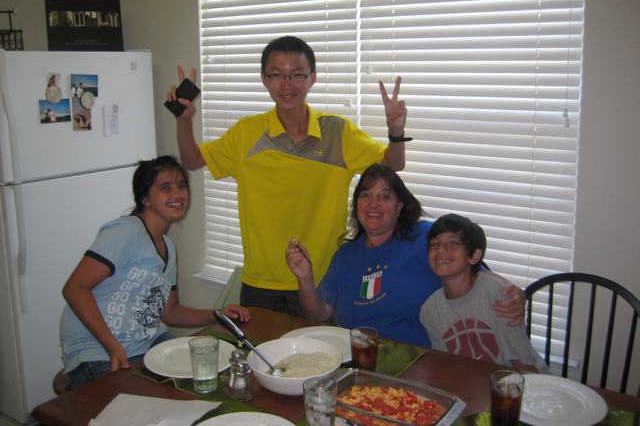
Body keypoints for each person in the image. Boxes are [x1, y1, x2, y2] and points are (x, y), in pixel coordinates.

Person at [169, 35, 409, 315]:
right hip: (261, 281)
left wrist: (396, 132)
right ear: (264, 79)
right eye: (277, 75)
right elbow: (192, 160)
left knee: (322, 345)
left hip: (322, 279)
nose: (287, 84)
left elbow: (392, 164)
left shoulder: (337, 132)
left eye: (296, 75)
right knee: (260, 345)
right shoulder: (247, 133)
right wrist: (183, 121)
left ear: (312, 78)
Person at [59, 156, 250, 389]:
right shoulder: (125, 232)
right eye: (165, 188)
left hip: (145, 343)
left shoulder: (168, 247)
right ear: (145, 199)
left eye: (181, 186)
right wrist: (112, 346)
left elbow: (170, 312)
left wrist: (218, 314)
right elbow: (74, 288)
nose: (177, 194)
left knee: (210, 374)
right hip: (96, 350)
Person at [285, 164, 524, 347]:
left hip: (423, 362)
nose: (373, 204)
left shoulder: (428, 237)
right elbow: (319, 313)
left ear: (399, 207)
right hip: (360, 359)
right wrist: (305, 279)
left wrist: (513, 295)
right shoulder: (346, 255)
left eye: (384, 196)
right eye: (365, 195)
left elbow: (477, 275)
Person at [419, 213, 547, 371]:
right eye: (434, 245)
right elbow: (448, 366)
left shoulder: (497, 295)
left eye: (453, 244)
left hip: (523, 379)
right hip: (471, 380)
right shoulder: (430, 310)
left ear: (474, 256)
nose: (441, 250)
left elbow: (524, 365)